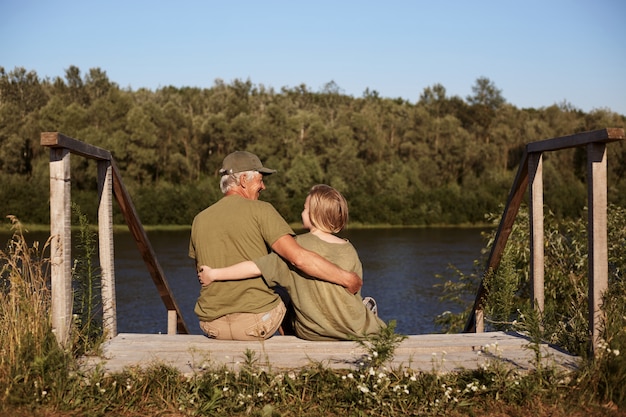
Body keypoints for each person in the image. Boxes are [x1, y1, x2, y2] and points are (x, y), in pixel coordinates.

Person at [189, 152, 362, 341]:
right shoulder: (262, 210)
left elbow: (200, 272)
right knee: (287, 287)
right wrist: (347, 278)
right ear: (244, 180)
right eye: (260, 180)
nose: (263, 186)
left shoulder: (199, 219)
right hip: (256, 324)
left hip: (212, 325)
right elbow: (298, 258)